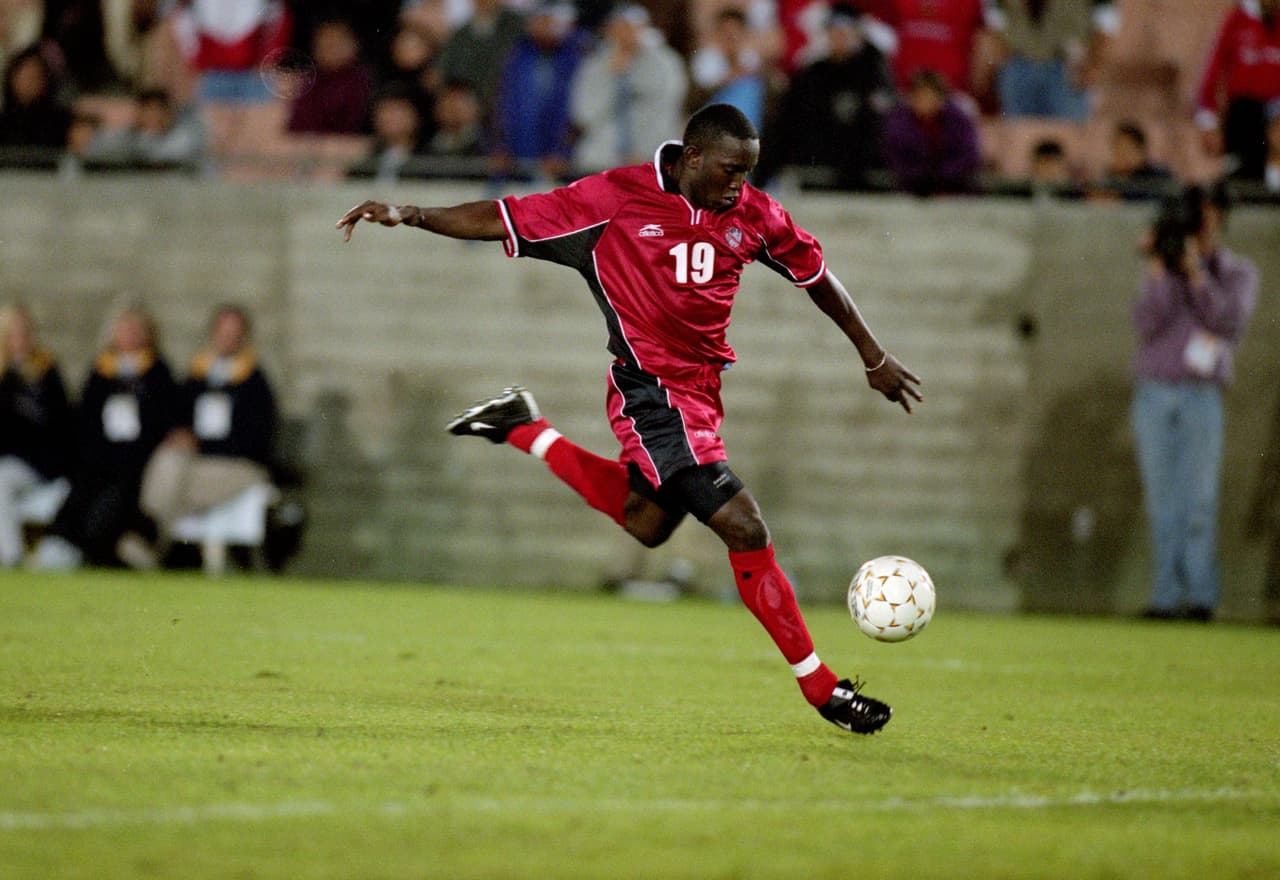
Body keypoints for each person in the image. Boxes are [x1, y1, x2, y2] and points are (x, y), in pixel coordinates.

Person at [336, 103, 922, 734]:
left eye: (748, 172)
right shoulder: (613, 199)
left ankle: (520, 426)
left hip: (700, 395)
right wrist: (413, 213)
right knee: (745, 527)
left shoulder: (753, 214)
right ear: (693, 157)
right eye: (730, 170)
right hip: (650, 392)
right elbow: (504, 215)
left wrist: (873, 354)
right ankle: (822, 688)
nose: (739, 185)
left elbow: (817, 276)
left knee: (647, 524)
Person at [1131, 182, 1259, 622]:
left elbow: (1227, 322)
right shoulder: (1162, 266)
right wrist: (1160, 270)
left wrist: (1197, 276)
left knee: (1199, 498)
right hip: (1154, 390)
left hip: (1202, 393)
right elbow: (1146, 321)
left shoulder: (1236, 271)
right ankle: (1165, 596)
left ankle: (1202, 596)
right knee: (1161, 498)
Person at [31, 304, 178, 570]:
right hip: (99, 459)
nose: (129, 336)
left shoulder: (158, 373)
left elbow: (163, 420)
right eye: (124, 330)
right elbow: (86, 419)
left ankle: (88, 549)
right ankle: (58, 541)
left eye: (136, 330)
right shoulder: (101, 371)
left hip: (136, 461)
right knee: (81, 490)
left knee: (115, 498)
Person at [139, 303, 277, 560]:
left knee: (173, 480)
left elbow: (256, 440)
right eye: (223, 332)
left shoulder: (255, 381)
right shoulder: (198, 375)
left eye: (234, 334)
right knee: (168, 459)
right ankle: (152, 539)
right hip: (195, 464)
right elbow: (177, 417)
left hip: (239, 466)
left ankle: (150, 537)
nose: (227, 339)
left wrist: (200, 445)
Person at [756, 2, 895, 191]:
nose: (839, 38)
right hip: (815, 167)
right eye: (834, 32)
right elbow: (787, 123)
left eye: (845, 32)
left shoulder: (873, 73)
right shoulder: (813, 74)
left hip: (862, 175)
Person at [568, 4, 687, 174]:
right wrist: (611, 78)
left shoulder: (665, 64)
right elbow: (584, 114)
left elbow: (666, 111)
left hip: (649, 158)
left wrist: (645, 152)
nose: (625, 34)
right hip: (601, 158)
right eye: (620, 28)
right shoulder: (595, 65)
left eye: (631, 27)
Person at [0, 304, 73, 568]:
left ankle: (11, 557)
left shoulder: (45, 372)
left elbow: (57, 424)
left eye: (24, 333)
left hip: (37, 464)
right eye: (13, 334)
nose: (20, 340)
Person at [1195, 0, 1280, 182]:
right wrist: (1208, 121)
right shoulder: (1237, 20)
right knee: (1242, 176)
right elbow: (1213, 69)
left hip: (1276, 113)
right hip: (1244, 114)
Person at [992, 0, 1119, 122]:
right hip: (1019, 64)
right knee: (1019, 134)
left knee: (1067, 135)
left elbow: (1106, 18)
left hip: (1067, 66)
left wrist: (1093, 64)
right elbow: (995, 15)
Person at [881, 68, 981, 196]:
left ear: (941, 97)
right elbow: (895, 159)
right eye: (921, 96)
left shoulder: (958, 120)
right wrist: (923, 178)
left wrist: (942, 178)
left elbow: (968, 156)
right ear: (911, 97)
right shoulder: (898, 123)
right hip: (910, 188)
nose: (926, 102)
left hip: (954, 188)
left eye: (931, 96)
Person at [286, 19, 372, 135]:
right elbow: (297, 127)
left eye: (335, 44)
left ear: (353, 44)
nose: (328, 50)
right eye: (322, 45)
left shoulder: (364, 80)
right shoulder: (310, 80)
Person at [1095, 119, 1173, 201]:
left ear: (1141, 151)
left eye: (1127, 149)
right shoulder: (1109, 178)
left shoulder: (1158, 176)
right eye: (1117, 149)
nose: (1122, 156)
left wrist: (1121, 198)